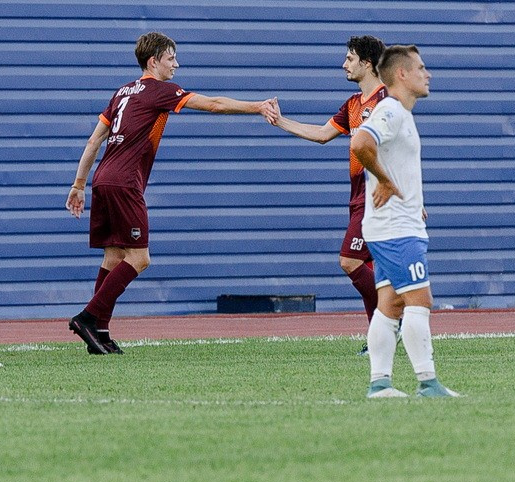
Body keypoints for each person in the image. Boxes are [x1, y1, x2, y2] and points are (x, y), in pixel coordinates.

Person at [64, 32, 278, 354]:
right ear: (154, 62)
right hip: (125, 182)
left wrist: (79, 184)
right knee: (140, 258)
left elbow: (94, 140)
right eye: (171, 58)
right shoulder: (160, 91)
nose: (176, 64)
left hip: (103, 178)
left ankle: (100, 332)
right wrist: (257, 107)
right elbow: (214, 105)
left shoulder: (122, 92)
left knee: (114, 256)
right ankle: (88, 317)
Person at [352, 44, 457, 399]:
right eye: (421, 68)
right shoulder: (391, 110)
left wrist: (411, 199)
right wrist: (384, 181)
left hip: (396, 224)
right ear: (402, 74)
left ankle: (380, 384)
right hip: (395, 229)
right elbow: (360, 143)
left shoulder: (402, 114)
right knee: (419, 299)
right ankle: (428, 383)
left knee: (391, 305)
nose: (428, 75)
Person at [264, 37, 390, 326]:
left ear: (367, 63)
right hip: (358, 194)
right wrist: (281, 121)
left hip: (377, 194)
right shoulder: (353, 104)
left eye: (350, 58)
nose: (344, 64)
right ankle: (380, 337)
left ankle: (395, 312)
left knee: (350, 260)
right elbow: (322, 134)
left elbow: (401, 149)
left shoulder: (387, 102)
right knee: (368, 265)